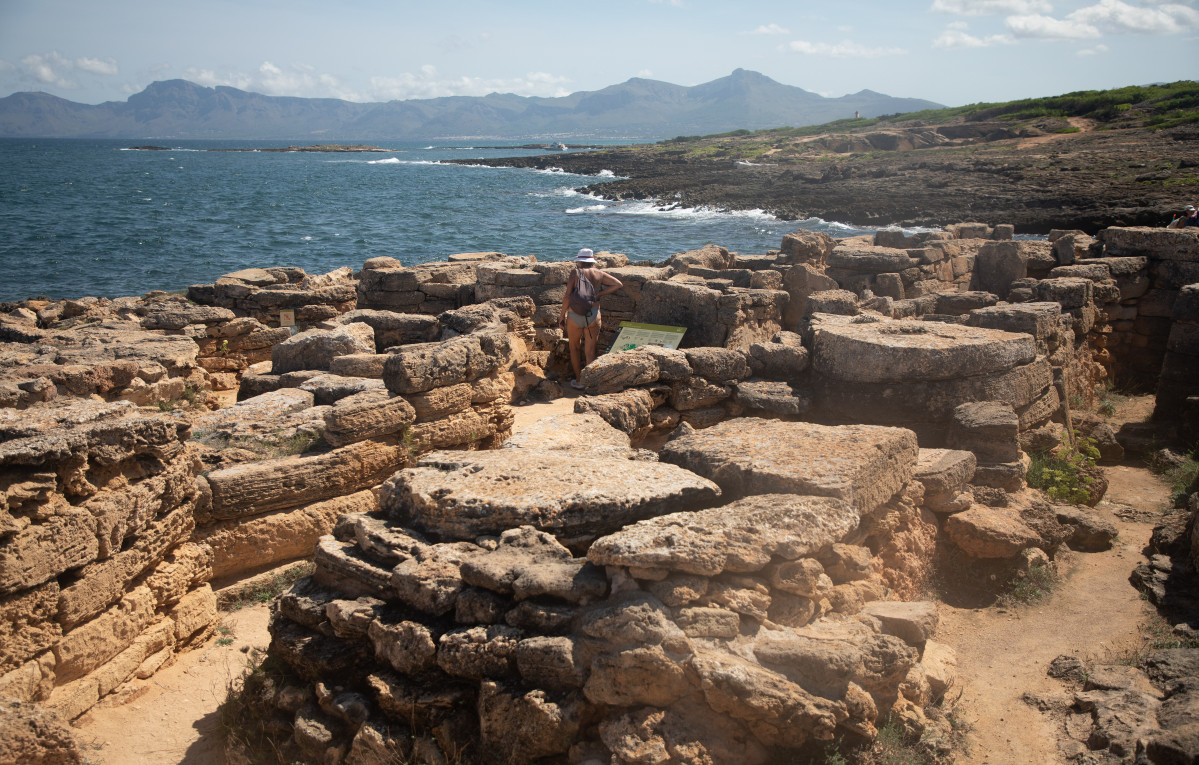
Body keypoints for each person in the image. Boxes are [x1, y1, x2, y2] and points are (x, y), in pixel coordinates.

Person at [559, 248, 624, 389]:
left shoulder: (575, 273)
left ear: (580, 262)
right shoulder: (599, 274)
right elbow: (618, 284)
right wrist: (599, 294)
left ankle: (579, 381)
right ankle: (590, 383)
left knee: (575, 348)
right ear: (592, 261)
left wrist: (561, 316)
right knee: (590, 351)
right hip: (593, 315)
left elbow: (567, 296)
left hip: (574, 315)